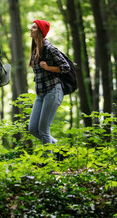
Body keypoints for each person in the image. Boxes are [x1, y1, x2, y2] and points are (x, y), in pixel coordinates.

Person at [28, 19, 70, 148]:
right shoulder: (35, 49)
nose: (31, 29)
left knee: (43, 130)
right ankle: (61, 151)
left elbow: (66, 67)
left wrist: (48, 68)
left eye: (34, 28)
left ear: (40, 32)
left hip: (53, 91)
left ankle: (48, 165)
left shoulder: (49, 48)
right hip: (41, 93)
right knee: (33, 128)